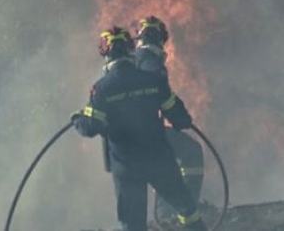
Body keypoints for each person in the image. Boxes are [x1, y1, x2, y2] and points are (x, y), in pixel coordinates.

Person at [71, 26, 208, 231]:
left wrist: (77, 118)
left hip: (127, 169)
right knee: (187, 210)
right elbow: (180, 119)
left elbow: (90, 128)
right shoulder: (153, 80)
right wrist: (182, 119)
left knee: (133, 225)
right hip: (159, 161)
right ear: (130, 48)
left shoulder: (102, 89)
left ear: (105, 52)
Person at [133, 16, 205, 224]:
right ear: (159, 39)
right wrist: (181, 119)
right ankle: (179, 210)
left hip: (130, 138)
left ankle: (168, 212)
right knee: (191, 152)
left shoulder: (133, 60)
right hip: (148, 134)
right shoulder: (150, 62)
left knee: (166, 163)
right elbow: (162, 96)